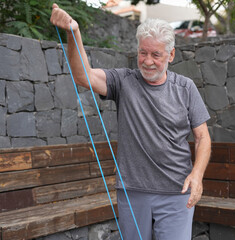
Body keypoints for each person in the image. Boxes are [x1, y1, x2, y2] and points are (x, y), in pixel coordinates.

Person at [50, 3, 211, 240]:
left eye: (156, 54)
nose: (147, 61)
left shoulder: (185, 88)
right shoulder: (124, 80)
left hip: (177, 191)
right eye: (143, 52)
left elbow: (202, 137)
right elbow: (83, 75)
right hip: (133, 192)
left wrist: (197, 176)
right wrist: (74, 32)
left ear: (171, 54)